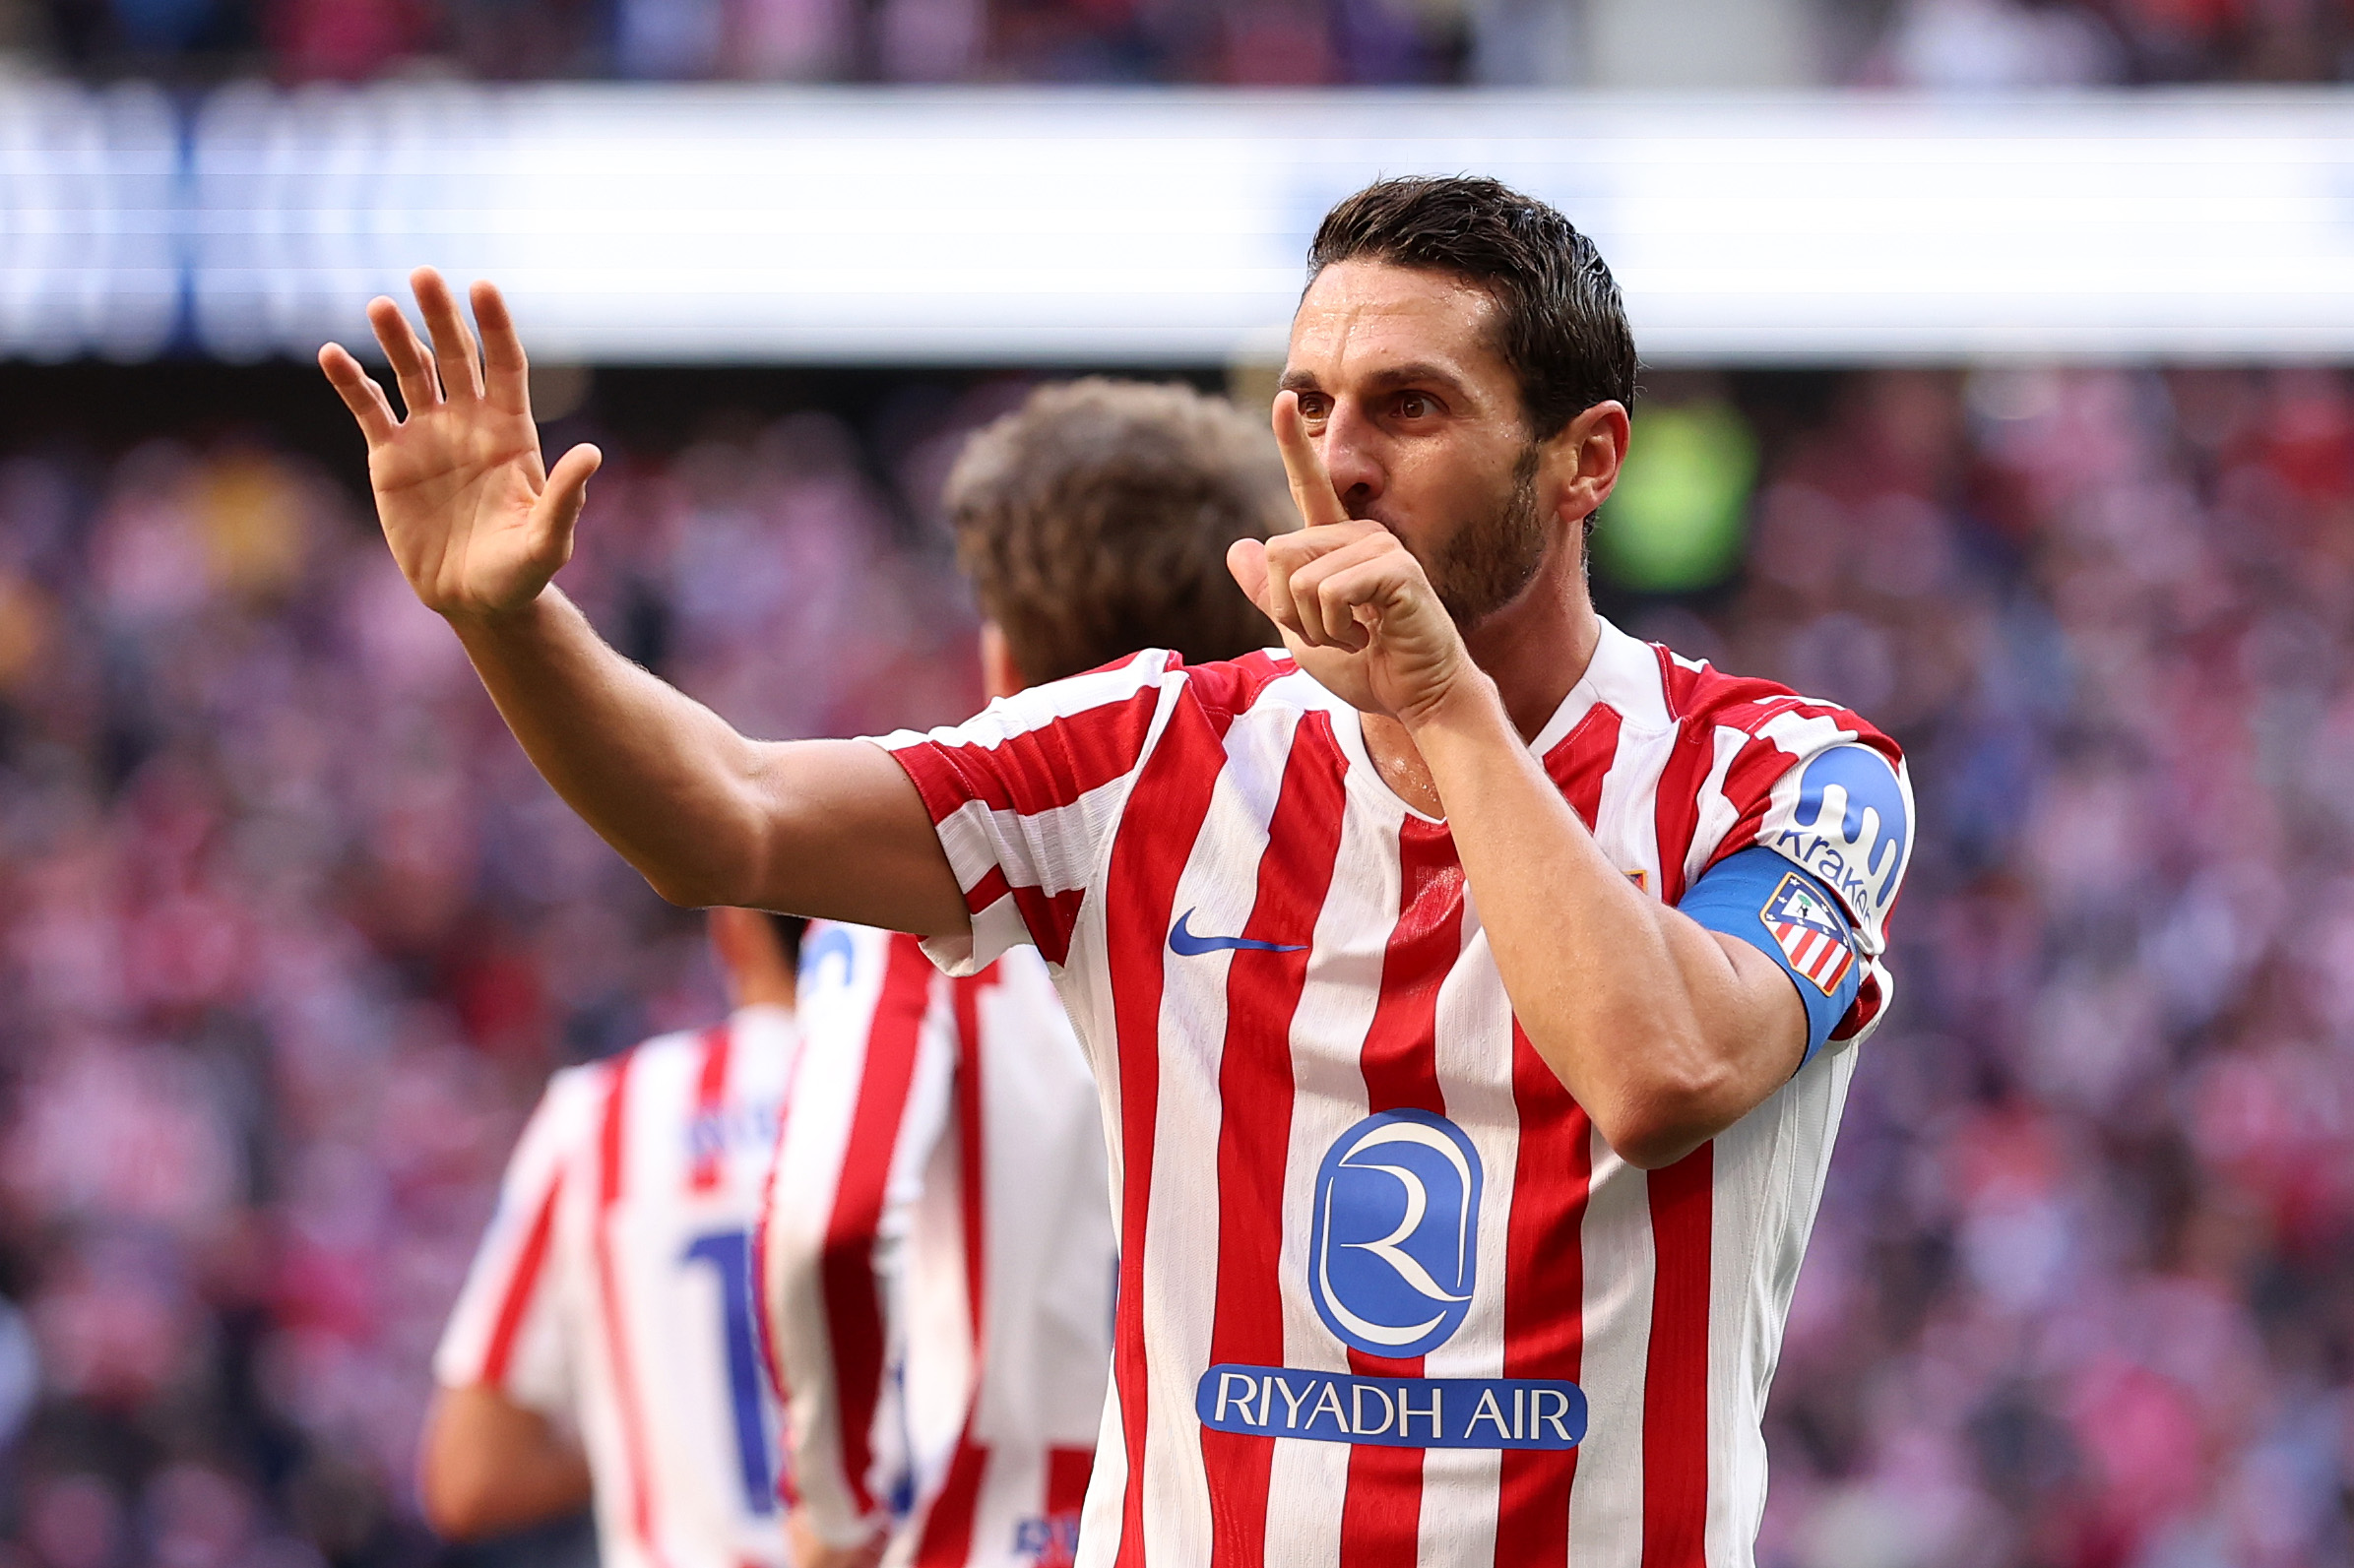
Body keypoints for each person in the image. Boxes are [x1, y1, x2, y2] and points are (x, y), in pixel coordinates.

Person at [324, 173, 1914, 1563]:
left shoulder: (1790, 775)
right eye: (1309, 406)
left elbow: (1659, 1065)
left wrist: (1444, 704)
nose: (1339, 460)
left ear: (1587, 461)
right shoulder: (1155, 748)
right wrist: (508, 622)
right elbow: (727, 813)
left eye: (1409, 408)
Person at [761, 380, 1293, 1568]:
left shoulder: (909, 903)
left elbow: (829, 1223)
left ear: (1000, 656)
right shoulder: (1334, 892)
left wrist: (834, 1515)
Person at [424, 909, 806, 1568]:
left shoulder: (601, 1116)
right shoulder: (955, 1102)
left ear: (732, 928)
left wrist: (651, 1424)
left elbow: (471, 1474)